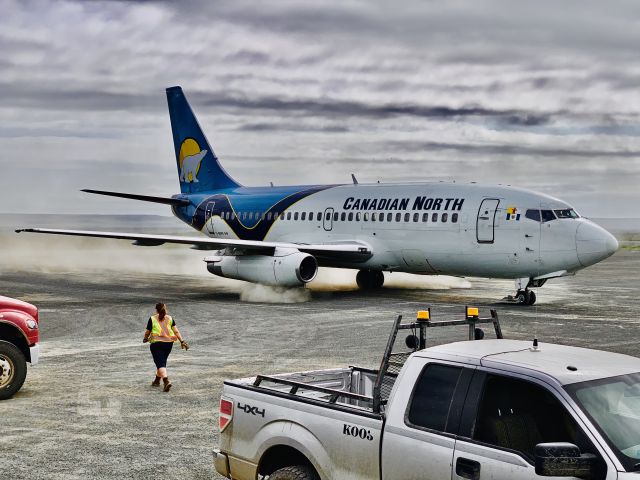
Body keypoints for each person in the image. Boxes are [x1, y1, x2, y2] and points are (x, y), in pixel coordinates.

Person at [142, 303, 189, 392]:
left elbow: (147, 332)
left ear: (156, 310)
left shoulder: (152, 319)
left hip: (156, 344)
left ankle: (166, 380)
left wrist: (145, 338)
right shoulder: (170, 318)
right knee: (162, 362)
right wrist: (182, 341)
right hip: (168, 344)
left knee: (160, 363)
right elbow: (176, 331)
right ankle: (157, 380)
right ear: (165, 309)